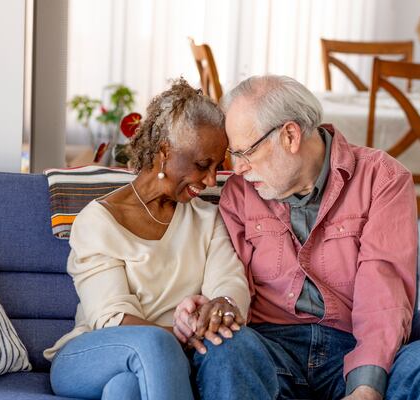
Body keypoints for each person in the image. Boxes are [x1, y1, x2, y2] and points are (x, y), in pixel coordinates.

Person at [175, 75, 420, 400]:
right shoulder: (241, 193)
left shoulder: (383, 180)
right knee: (223, 349)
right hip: (271, 352)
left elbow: (384, 291)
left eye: (245, 153)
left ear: (290, 136)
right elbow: (230, 277)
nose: (238, 168)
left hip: (353, 350)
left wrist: (366, 388)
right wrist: (213, 304)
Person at [44, 79, 275, 400]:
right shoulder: (99, 221)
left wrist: (223, 305)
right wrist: (185, 334)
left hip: (166, 362)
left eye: (217, 166)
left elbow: (228, 284)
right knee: (154, 343)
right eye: (202, 165)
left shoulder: (208, 220)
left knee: (124, 391)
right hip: (94, 353)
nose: (210, 180)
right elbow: (111, 318)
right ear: (165, 152)